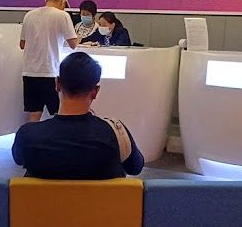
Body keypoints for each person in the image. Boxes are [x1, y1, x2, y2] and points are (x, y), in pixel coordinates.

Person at [12, 52, 144, 179]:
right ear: (95, 91)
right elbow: (135, 167)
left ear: (57, 84)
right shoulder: (117, 134)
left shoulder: (28, 135)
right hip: (99, 202)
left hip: (44, 202)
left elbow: (18, 159)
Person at [20, 0, 79, 122]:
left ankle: (31, 142)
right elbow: (73, 45)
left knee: (35, 112)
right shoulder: (62, 15)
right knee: (57, 113)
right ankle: (57, 142)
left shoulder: (29, 15)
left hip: (29, 72)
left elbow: (22, 44)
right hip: (50, 72)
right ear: (62, 1)